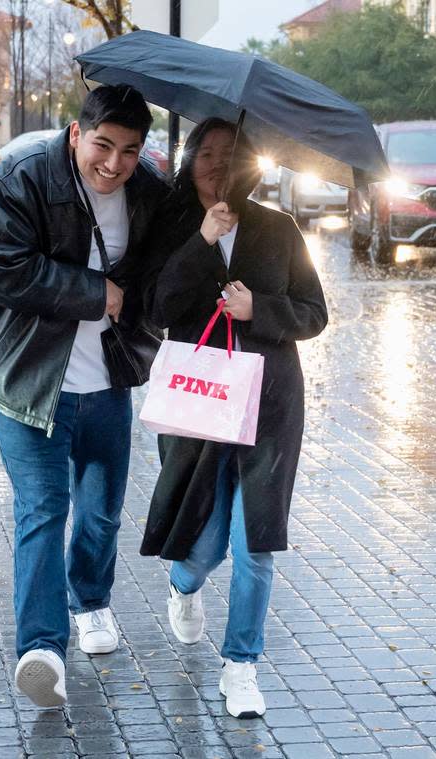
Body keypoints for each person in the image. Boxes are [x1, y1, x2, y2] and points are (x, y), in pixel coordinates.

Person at [0, 84, 168, 708]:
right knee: (42, 510)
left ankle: (91, 600)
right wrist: (98, 293)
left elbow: (171, 264)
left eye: (130, 151)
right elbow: (5, 269)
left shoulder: (147, 193)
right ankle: (41, 651)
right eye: (103, 145)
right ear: (75, 134)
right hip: (32, 382)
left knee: (102, 511)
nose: (113, 164)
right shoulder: (25, 176)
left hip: (107, 382)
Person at [141, 118, 328, 719]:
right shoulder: (171, 226)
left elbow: (314, 312)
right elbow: (158, 307)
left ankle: (242, 665)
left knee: (256, 547)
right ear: (190, 159)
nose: (218, 166)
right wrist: (201, 241)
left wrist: (258, 308)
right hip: (198, 403)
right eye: (207, 154)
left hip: (269, 405)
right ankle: (182, 585)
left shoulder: (278, 228)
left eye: (230, 156)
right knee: (206, 545)